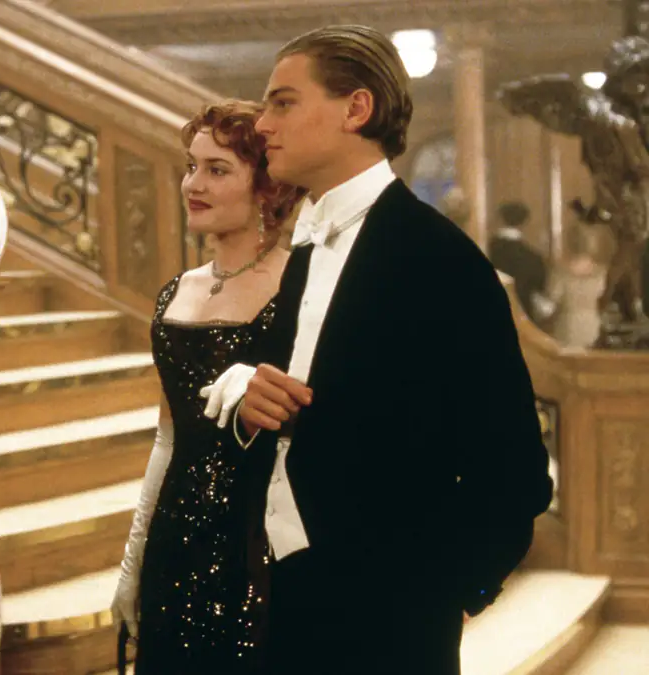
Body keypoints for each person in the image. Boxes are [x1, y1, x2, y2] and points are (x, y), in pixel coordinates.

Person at [203, 25, 553, 674]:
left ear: (356, 109)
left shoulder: (441, 259)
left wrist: (441, 594)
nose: (264, 124)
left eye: (283, 102)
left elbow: (514, 472)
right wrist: (251, 403)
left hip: (392, 623)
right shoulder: (305, 250)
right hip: (285, 601)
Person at [110, 101, 303, 673]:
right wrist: (133, 563)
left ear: (267, 188)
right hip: (178, 536)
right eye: (191, 167)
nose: (193, 184)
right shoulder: (175, 293)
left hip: (261, 543)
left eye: (217, 170)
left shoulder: (301, 286)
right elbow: (167, 439)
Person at [488, 201, 552, 323]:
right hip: (522, 320)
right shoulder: (533, 258)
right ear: (524, 223)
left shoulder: (487, 251)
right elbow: (539, 292)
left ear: (500, 219)